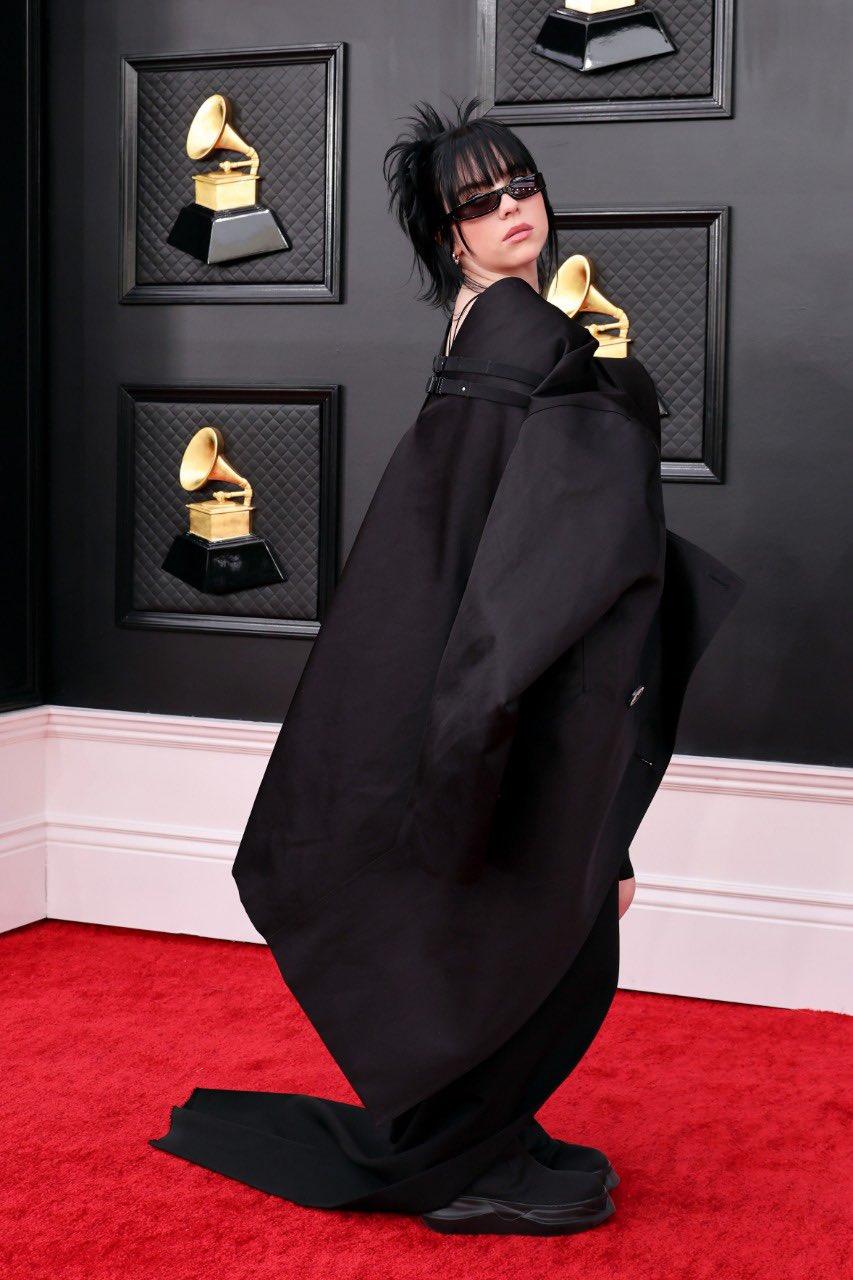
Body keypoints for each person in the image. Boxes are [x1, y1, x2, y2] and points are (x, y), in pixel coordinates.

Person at [151, 97, 745, 1236]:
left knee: (519, 897)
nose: (511, 207)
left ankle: (485, 1130)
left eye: (518, 184)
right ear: (445, 233)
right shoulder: (523, 338)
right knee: (539, 903)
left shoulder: (500, 330)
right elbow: (531, 533)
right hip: (510, 650)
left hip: (501, 646)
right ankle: (468, 1154)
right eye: (478, 200)